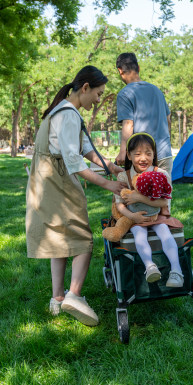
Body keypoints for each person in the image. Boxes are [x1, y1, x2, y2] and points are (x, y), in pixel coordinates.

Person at [26, 66, 126, 327]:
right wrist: (108, 184)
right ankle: (75, 296)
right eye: (98, 94)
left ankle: (57, 299)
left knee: (58, 238)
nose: (98, 100)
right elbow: (75, 163)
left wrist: (108, 165)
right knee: (83, 238)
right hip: (57, 180)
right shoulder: (69, 115)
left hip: (45, 179)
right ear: (85, 88)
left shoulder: (61, 108)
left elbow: (83, 149)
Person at [114, 132, 184, 287]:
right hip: (135, 218)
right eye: (137, 154)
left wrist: (139, 198)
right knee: (139, 234)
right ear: (129, 155)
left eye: (148, 153)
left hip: (157, 215)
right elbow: (119, 205)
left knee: (165, 233)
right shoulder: (123, 177)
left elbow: (164, 202)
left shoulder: (160, 174)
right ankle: (150, 266)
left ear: (154, 155)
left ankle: (176, 271)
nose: (143, 158)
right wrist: (133, 217)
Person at [115, 52, 173, 179]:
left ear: (120, 71)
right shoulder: (157, 91)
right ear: (138, 67)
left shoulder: (125, 94)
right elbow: (168, 120)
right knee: (163, 196)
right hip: (165, 153)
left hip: (143, 158)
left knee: (140, 197)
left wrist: (123, 152)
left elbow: (128, 124)